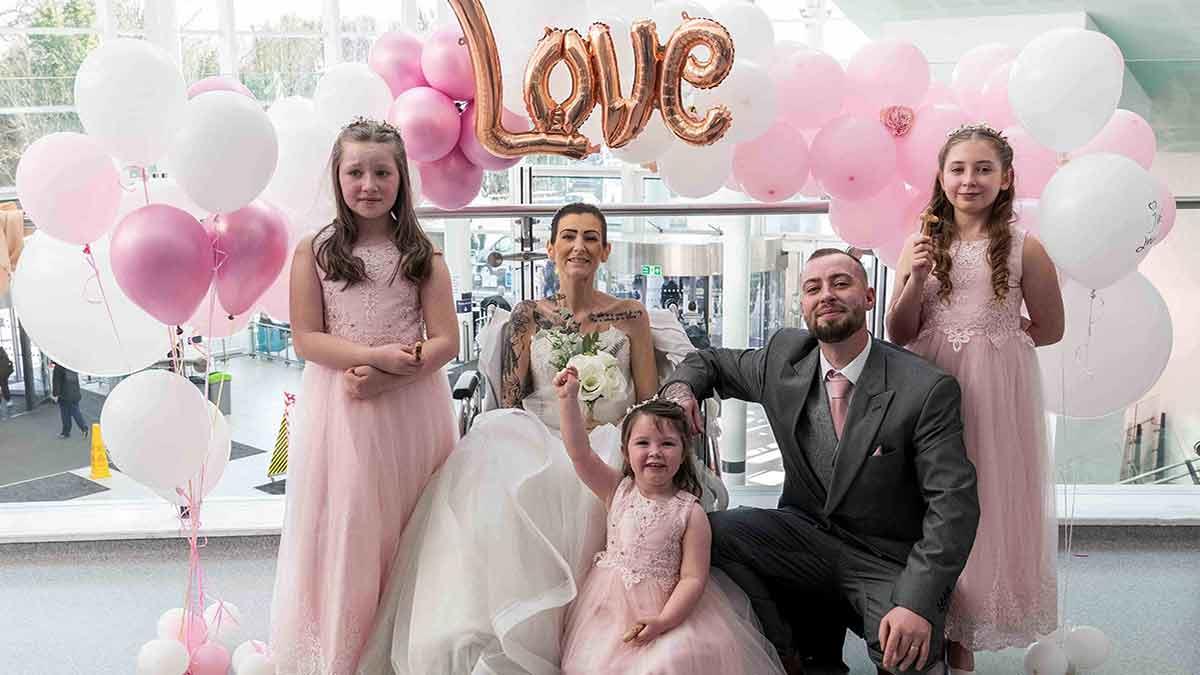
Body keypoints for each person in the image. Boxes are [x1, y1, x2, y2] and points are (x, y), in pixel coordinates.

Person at [357, 203, 657, 674]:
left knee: (592, 478)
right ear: (550, 248)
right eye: (570, 237)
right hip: (538, 432)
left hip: (608, 438)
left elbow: (647, 399)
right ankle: (507, 629)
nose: (580, 247)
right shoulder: (526, 317)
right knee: (505, 458)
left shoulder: (630, 314)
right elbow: (513, 401)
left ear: (606, 250)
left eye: (591, 238)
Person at [663, 249, 980, 675]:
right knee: (709, 533)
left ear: (869, 297)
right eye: (813, 288)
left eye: (840, 284)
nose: (826, 295)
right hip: (804, 536)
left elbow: (953, 507)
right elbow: (709, 361)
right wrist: (681, 391)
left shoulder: (924, 387)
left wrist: (917, 602)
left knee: (910, 662)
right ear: (803, 304)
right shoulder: (784, 357)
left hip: (884, 559)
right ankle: (790, 651)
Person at [269, 118, 458, 675]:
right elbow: (306, 339)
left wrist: (391, 377)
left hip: (413, 406)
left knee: (410, 523)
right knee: (349, 525)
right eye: (356, 172)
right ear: (337, 176)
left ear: (402, 179)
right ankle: (347, 654)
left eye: (382, 172)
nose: (368, 184)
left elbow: (445, 340)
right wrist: (373, 358)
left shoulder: (424, 253)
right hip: (341, 408)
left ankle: (407, 650)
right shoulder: (316, 250)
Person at [888, 123, 1063, 672]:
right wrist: (916, 277)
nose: (970, 180)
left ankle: (963, 643)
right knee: (931, 498)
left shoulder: (1024, 248)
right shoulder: (918, 242)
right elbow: (898, 329)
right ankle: (932, 619)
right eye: (958, 168)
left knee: (984, 500)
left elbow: (1051, 326)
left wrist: (997, 346)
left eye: (984, 169)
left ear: (1006, 178)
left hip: (995, 396)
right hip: (931, 382)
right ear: (941, 176)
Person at [554, 367, 784, 675]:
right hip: (609, 607)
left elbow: (692, 578)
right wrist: (568, 398)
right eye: (643, 443)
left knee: (671, 662)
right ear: (625, 450)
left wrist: (664, 621)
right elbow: (580, 453)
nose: (655, 453)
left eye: (667, 444)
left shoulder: (690, 512)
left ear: (683, 451)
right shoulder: (617, 490)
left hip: (671, 608)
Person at [50, 361, 87, 439]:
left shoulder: (58, 367)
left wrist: (55, 395)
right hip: (74, 393)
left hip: (64, 395)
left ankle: (82, 428)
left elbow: (56, 382)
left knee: (66, 414)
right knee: (74, 411)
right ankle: (66, 432)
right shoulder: (71, 364)